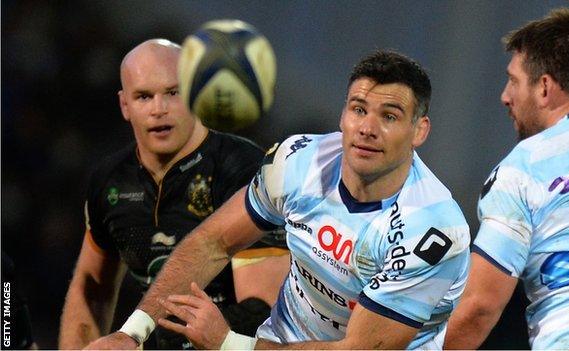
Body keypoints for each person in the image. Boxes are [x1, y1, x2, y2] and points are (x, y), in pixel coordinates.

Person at [85, 50, 471, 350]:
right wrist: (132, 332)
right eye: (358, 109)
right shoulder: (298, 161)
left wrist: (229, 343)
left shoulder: (434, 230)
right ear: (343, 115)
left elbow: (359, 347)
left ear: (419, 130)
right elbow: (213, 242)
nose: (367, 129)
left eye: (389, 116)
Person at [58, 39, 290, 349]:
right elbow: (91, 288)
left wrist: (152, 338)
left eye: (173, 93)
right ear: (124, 105)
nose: (159, 109)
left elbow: (261, 308)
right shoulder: (110, 181)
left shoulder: (241, 166)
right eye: (143, 96)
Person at [444, 8, 569, 350]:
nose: (505, 96)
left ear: (544, 87)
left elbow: (479, 307)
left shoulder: (525, 166)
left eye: (513, 80)